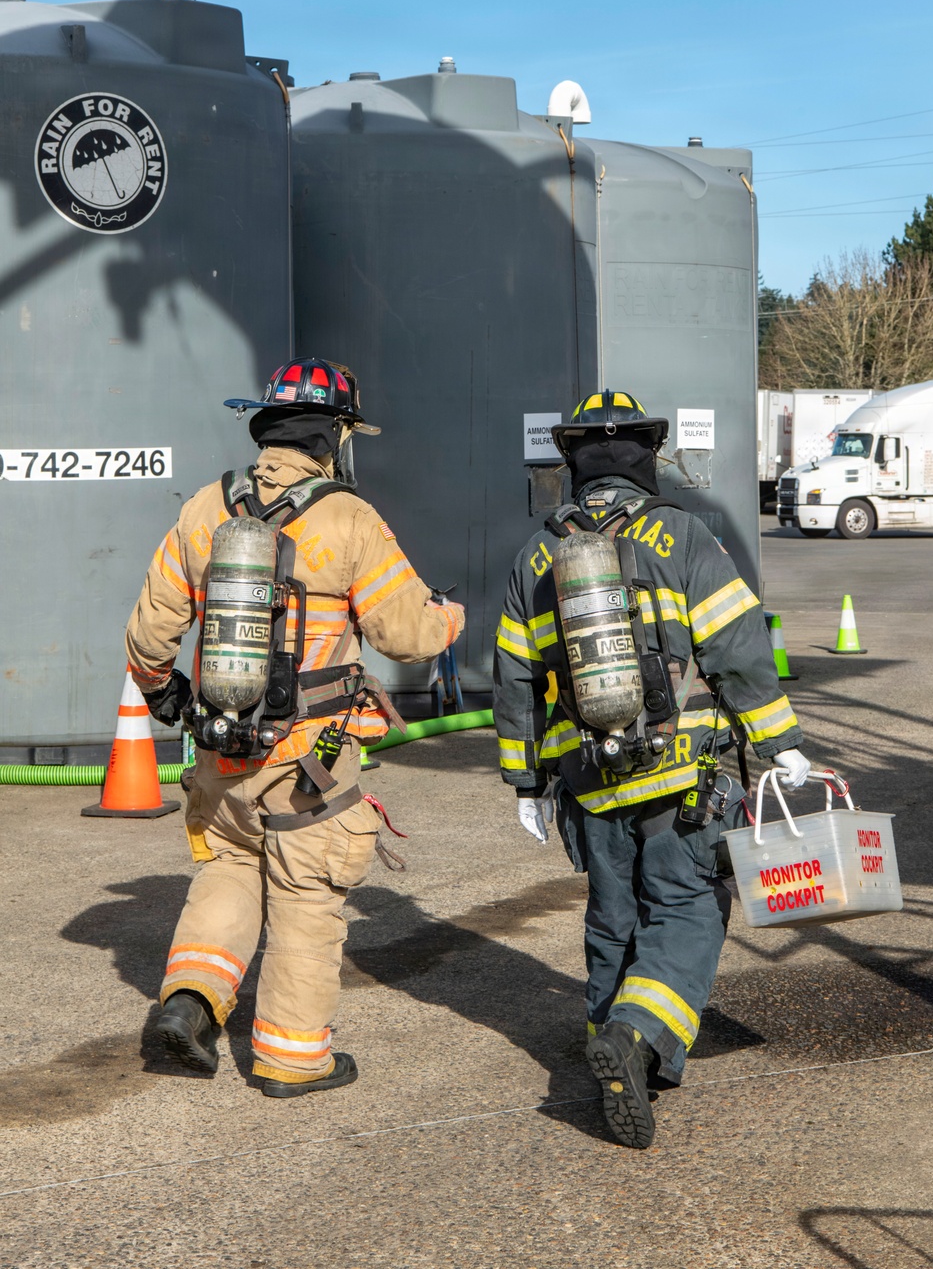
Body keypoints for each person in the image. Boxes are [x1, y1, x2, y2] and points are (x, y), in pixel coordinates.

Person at [126, 358, 464, 1098]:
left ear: (267, 426)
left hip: (220, 745)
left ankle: (188, 1003)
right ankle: (290, 1060)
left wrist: (165, 695)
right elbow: (406, 634)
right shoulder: (350, 517)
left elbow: (151, 631)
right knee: (308, 897)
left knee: (229, 868)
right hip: (312, 755)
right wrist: (449, 616)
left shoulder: (206, 508)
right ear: (336, 436)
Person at [492, 390, 809, 1149]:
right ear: (644, 458)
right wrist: (777, 743)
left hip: (590, 779)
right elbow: (735, 649)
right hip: (682, 773)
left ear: (574, 465)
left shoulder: (537, 554)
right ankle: (635, 1038)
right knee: (687, 910)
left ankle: (611, 1042)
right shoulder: (683, 535)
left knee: (613, 915)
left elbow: (512, 678)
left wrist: (527, 783)